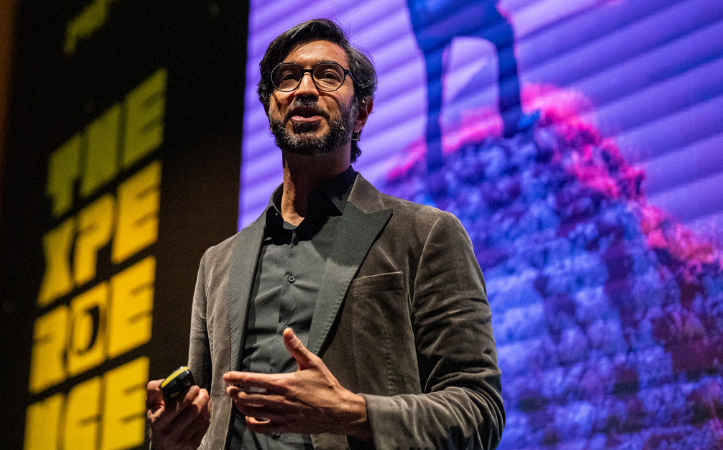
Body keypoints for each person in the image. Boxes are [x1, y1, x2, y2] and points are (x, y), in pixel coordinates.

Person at [146, 18, 503, 450]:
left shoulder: (426, 235)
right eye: (288, 78)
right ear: (270, 106)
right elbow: (205, 421)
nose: (305, 89)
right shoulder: (218, 263)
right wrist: (172, 440)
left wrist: (351, 412)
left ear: (362, 113)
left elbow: (479, 409)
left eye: (329, 76)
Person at [407, 0, 538, 172]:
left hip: (428, 23)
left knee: (434, 93)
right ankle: (512, 120)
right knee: (503, 32)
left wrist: (420, 31)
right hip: (443, 17)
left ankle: (434, 163)